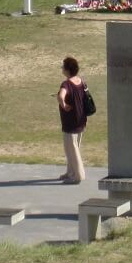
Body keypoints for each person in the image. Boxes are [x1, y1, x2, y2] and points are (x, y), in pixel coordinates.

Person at [57, 56, 88, 184]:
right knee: (73, 148)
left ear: (67, 70)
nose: (61, 68)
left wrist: (63, 104)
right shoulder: (81, 81)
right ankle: (70, 172)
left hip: (70, 122)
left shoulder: (66, 84)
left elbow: (60, 96)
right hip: (81, 120)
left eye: (63, 66)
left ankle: (78, 176)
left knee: (72, 149)